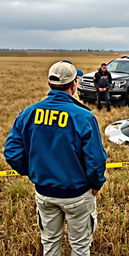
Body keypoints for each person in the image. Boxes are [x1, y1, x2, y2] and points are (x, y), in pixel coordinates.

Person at [4, 61, 107, 256]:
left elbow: (11, 151)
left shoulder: (28, 113)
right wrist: (96, 183)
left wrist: (33, 170)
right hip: (78, 195)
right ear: (74, 85)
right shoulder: (83, 117)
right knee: (80, 247)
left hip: (45, 194)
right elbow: (96, 160)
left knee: (50, 244)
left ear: (50, 83)